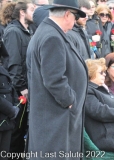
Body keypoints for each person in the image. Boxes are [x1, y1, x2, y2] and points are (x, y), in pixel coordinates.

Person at [26, 0, 88, 159]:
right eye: (75, 17)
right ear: (67, 14)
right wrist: (70, 100)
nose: (75, 22)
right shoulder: (52, 36)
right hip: (56, 118)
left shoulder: (50, 32)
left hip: (57, 117)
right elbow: (54, 79)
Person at [3, 1, 34, 158]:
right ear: (22, 12)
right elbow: (13, 64)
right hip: (18, 93)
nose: (35, 13)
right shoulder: (14, 32)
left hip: (28, 89)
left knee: (21, 132)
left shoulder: (28, 31)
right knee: (15, 133)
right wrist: (22, 88)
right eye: (32, 9)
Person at [0, 65, 19, 160]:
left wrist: (16, 104)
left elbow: (11, 88)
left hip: (7, 122)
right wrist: (11, 110)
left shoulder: (3, 67)